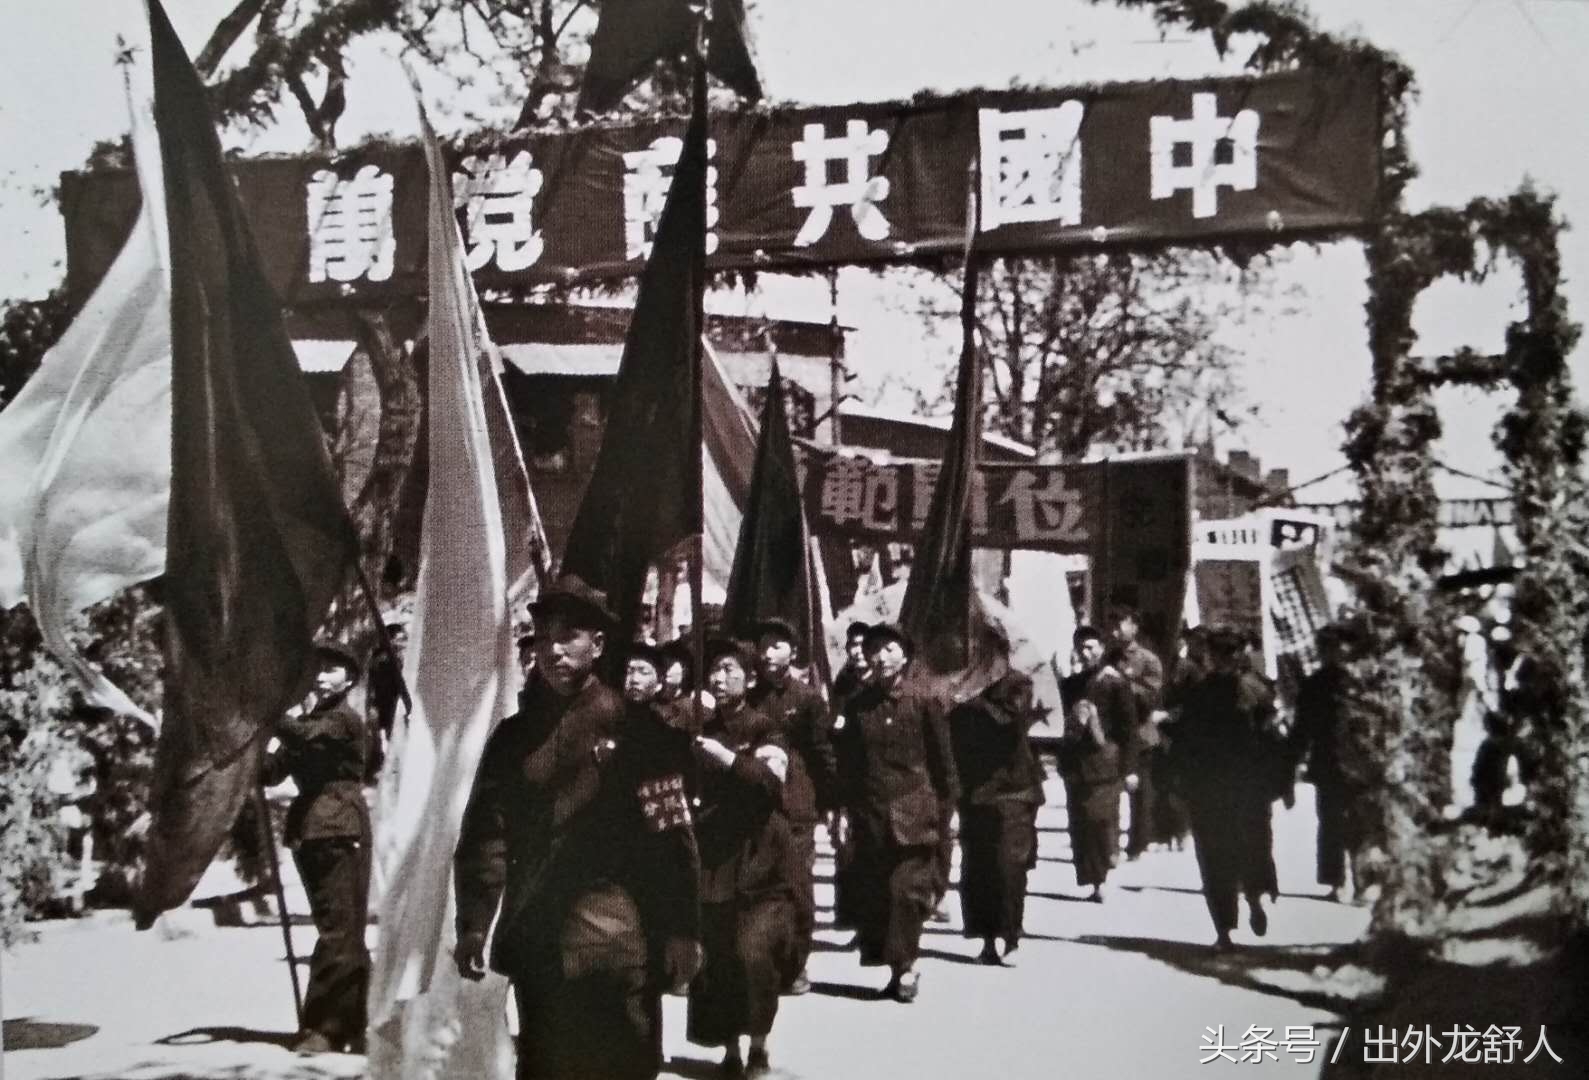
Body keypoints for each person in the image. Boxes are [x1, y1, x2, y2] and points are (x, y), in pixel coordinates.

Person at [454, 575, 703, 1080]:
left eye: (568, 636)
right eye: (543, 637)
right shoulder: (513, 737)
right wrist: (475, 922)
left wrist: (682, 929)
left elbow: (672, 838)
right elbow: (486, 835)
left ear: (599, 644)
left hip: (621, 945)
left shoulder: (638, 729)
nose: (553, 650)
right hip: (538, 940)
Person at [832, 623, 959, 1002]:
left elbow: (944, 763)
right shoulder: (858, 706)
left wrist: (948, 811)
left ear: (904, 655)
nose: (882, 656)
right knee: (880, 897)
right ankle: (897, 968)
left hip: (916, 816)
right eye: (875, 649)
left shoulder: (923, 701)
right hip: (870, 815)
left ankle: (908, 966)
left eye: (890, 649)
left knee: (905, 892)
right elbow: (849, 765)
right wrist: (840, 812)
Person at [261, 642, 377, 1055]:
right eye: (317, 668)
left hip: (341, 827)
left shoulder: (343, 721)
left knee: (340, 930)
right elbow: (271, 775)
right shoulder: (309, 722)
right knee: (343, 930)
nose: (321, 675)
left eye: (332, 669)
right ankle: (360, 1023)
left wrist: (269, 711)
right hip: (312, 830)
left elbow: (305, 736)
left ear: (349, 679)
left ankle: (324, 1027)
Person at [687, 639, 795, 1077]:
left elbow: (770, 785)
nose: (719, 678)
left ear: (750, 679)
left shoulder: (767, 729)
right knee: (718, 956)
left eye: (730, 670)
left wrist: (728, 758)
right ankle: (729, 1047)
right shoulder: (700, 728)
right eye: (714, 670)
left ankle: (758, 1043)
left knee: (753, 954)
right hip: (713, 860)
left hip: (758, 860)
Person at [1164, 627, 1285, 950]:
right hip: (1222, 788)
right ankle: (1225, 928)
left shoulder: (1250, 691)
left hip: (1235, 787)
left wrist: (1279, 782)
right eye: (1217, 655)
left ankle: (1251, 903)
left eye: (1225, 655)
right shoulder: (1205, 693)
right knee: (1221, 854)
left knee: (1239, 851)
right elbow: (1183, 741)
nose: (1221, 661)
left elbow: (1273, 739)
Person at [747, 618, 834, 997]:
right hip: (755, 808)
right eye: (763, 644)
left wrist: (831, 805)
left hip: (796, 806)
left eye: (777, 645)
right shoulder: (747, 699)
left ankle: (795, 964)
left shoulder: (808, 699)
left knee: (797, 888)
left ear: (793, 653)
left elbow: (823, 755)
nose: (768, 652)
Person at [948, 669, 1045, 965]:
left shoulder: (1017, 683)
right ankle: (987, 940)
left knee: (1008, 864)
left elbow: (1011, 721)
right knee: (978, 869)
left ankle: (1010, 934)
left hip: (1012, 790)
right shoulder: (955, 681)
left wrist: (969, 701)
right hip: (972, 790)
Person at [1058, 625, 1139, 902]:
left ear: (1102, 649)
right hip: (1076, 765)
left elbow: (1129, 729)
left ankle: (1103, 872)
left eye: (1091, 646)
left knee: (1100, 819)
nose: (1086, 652)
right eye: (1081, 647)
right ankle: (1093, 879)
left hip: (1106, 763)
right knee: (1080, 822)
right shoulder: (1069, 685)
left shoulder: (1114, 683)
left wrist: (1130, 769)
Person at [1290, 624, 1366, 901]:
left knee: (1357, 822)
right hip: (1329, 762)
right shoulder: (1314, 685)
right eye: (1325, 648)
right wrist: (1292, 760)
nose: (1330, 654)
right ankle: (1338, 882)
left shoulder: (1361, 683)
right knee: (1332, 822)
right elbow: (1302, 728)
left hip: (1358, 762)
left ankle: (1360, 879)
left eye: (1334, 648)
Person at [1109, 605, 1165, 860]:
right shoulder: (1109, 657)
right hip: (1115, 735)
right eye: (1112, 624)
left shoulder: (1148, 660)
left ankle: (1137, 843)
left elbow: (1152, 698)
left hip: (1141, 734)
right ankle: (1109, 844)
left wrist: (1124, 683)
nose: (1115, 630)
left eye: (1120, 623)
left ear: (1134, 626)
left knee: (1140, 795)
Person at [827, 621, 871, 933]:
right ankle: (852, 916)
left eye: (861, 645)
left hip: (872, 773)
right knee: (846, 849)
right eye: (851, 646)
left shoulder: (880, 683)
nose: (855, 652)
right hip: (846, 772)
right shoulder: (844, 680)